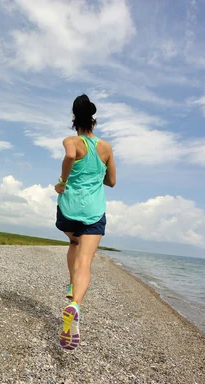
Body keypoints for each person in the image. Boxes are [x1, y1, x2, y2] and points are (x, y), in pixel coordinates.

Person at [55, 94, 116, 350]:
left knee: (73, 242)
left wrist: (63, 181)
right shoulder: (106, 147)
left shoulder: (71, 140)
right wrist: (95, 176)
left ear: (73, 120)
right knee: (85, 262)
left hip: (69, 209)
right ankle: (75, 304)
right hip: (93, 211)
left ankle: (71, 284)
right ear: (95, 120)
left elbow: (70, 156)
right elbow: (111, 181)